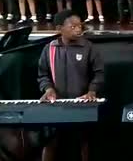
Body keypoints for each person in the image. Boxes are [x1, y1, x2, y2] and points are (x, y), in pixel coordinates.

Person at [37, 9, 104, 161]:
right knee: (50, 141)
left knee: (84, 142)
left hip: (82, 103)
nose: (78, 29)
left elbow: (99, 73)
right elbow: (43, 75)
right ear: (59, 29)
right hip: (57, 105)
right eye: (73, 26)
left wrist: (92, 91)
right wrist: (48, 89)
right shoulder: (50, 49)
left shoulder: (88, 47)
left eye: (80, 25)